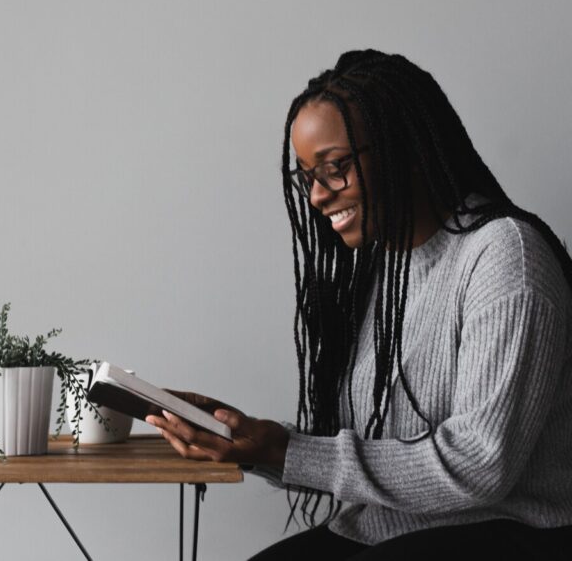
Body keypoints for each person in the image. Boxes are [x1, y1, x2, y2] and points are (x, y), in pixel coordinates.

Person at [145, 49, 572, 560]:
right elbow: (372, 445)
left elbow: (480, 465)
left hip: (514, 531)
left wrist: (287, 451)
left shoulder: (505, 256)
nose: (318, 196)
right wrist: (252, 440)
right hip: (386, 529)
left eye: (335, 167)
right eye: (307, 176)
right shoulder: (384, 272)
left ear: (402, 148)